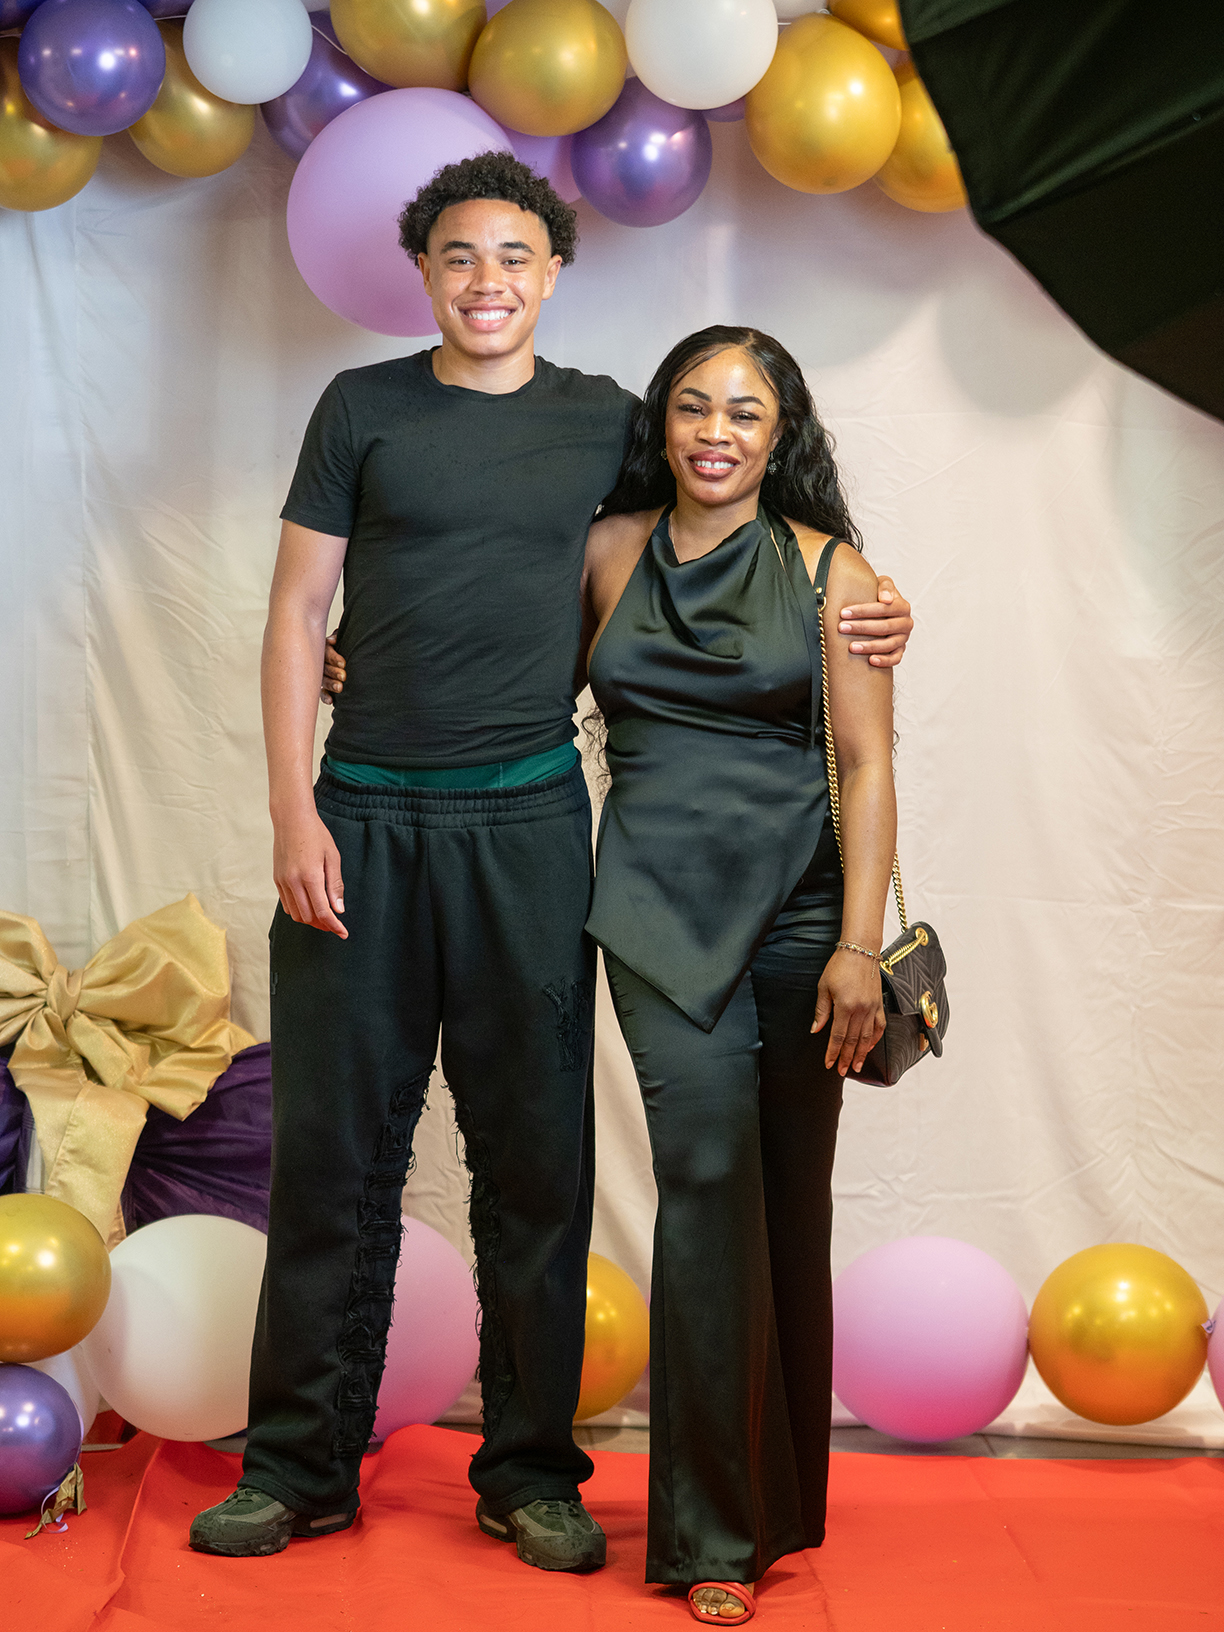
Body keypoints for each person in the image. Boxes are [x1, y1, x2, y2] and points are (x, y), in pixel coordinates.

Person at [190, 153, 912, 1570]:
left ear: (555, 274)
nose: (488, 281)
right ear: (423, 271)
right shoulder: (359, 408)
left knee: (536, 1164)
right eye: (460, 256)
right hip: (359, 817)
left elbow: (719, 545)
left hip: (527, 828)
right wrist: (291, 807)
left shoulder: (610, 424)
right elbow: (296, 612)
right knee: (332, 1154)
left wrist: (874, 609)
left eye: (515, 256)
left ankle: (528, 1471)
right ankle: (297, 1466)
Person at [580, 326, 896, 1623]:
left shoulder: (833, 572)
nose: (717, 432)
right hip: (655, 914)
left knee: (785, 1198)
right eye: (695, 407)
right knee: (708, 1183)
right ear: (662, 423)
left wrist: (860, 947)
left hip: (803, 921)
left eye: (746, 413)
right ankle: (712, 1535)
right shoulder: (606, 552)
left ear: (781, 436)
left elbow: (867, 766)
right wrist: (352, 664)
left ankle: (784, 1502)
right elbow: (499, 680)